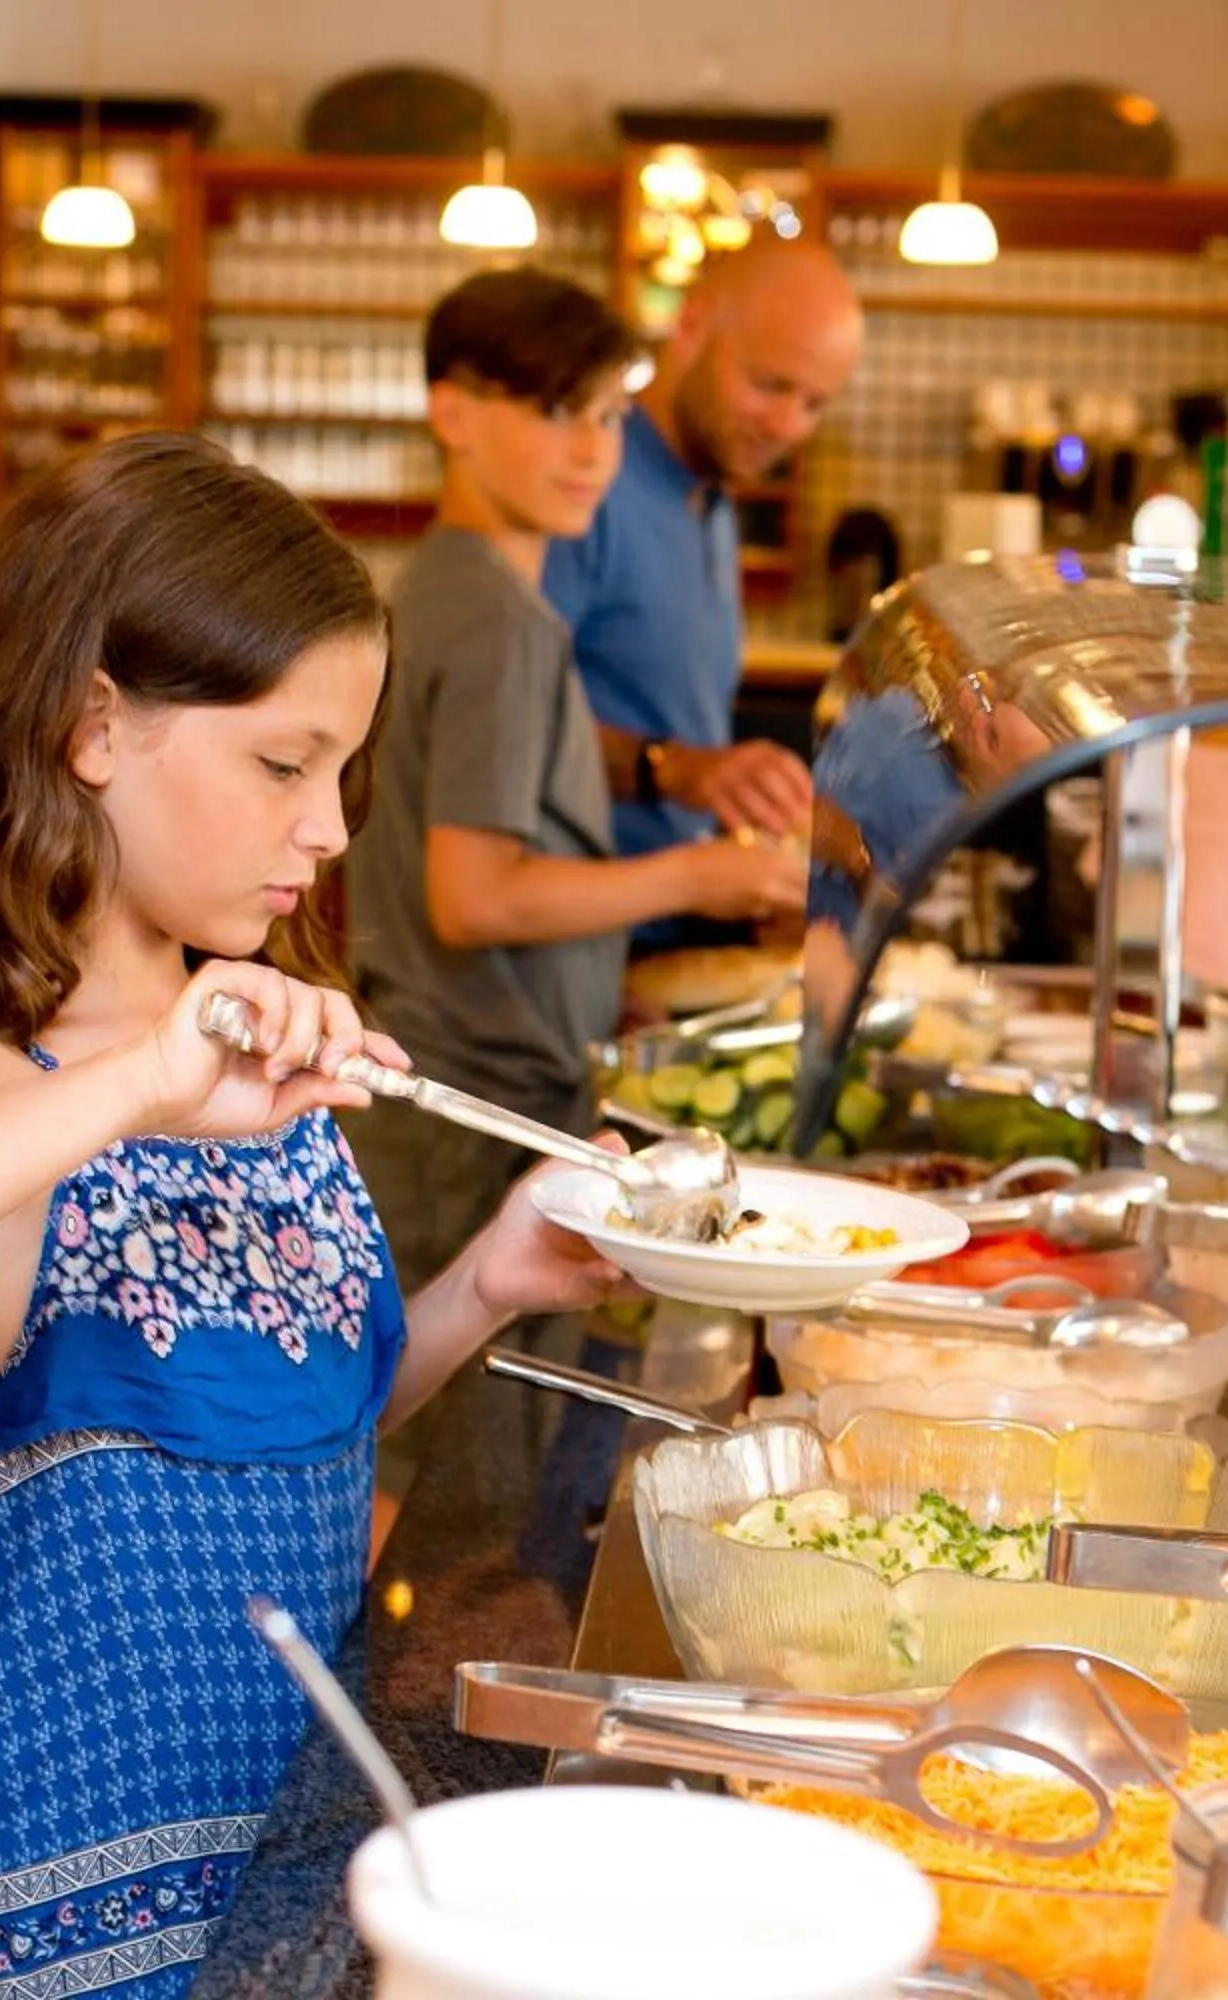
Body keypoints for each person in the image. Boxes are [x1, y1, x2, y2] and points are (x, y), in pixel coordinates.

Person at [0, 431, 619, 1997]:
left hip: (284, 1889)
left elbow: (288, 1435)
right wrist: (138, 1082)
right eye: (283, 765)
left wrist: (486, 1284)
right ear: (93, 725)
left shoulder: (248, 1045)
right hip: (39, 1942)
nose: (331, 829)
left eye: (342, 773)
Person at [347, 267, 805, 1292]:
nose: (595, 450)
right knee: (457, 1392)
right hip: (470, 1114)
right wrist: (697, 876)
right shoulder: (497, 620)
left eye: (608, 416)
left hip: (455, 1089)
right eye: (558, 413)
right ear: (453, 413)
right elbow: (474, 897)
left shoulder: (458, 585)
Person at [543, 237, 865, 908]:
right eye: (769, 385)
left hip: (678, 924)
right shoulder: (584, 486)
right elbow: (499, 730)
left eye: (814, 404)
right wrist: (674, 769)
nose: (787, 426)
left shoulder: (712, 493)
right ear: (690, 326)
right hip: (581, 932)